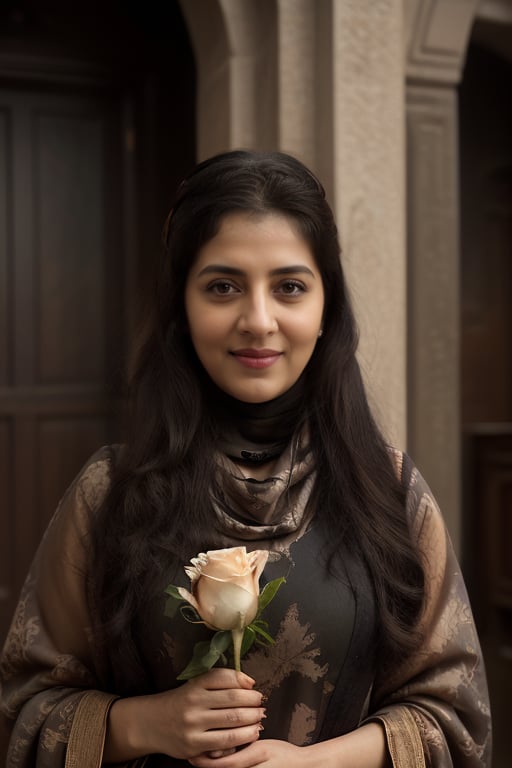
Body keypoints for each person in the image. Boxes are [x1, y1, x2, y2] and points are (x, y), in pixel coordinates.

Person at [0, 150, 491, 767]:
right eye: (223, 286)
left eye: (289, 287)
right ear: (182, 307)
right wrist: (143, 724)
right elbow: (22, 709)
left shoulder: (388, 490)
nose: (258, 321)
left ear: (325, 310)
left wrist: (318, 764)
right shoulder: (110, 492)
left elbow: (455, 718)